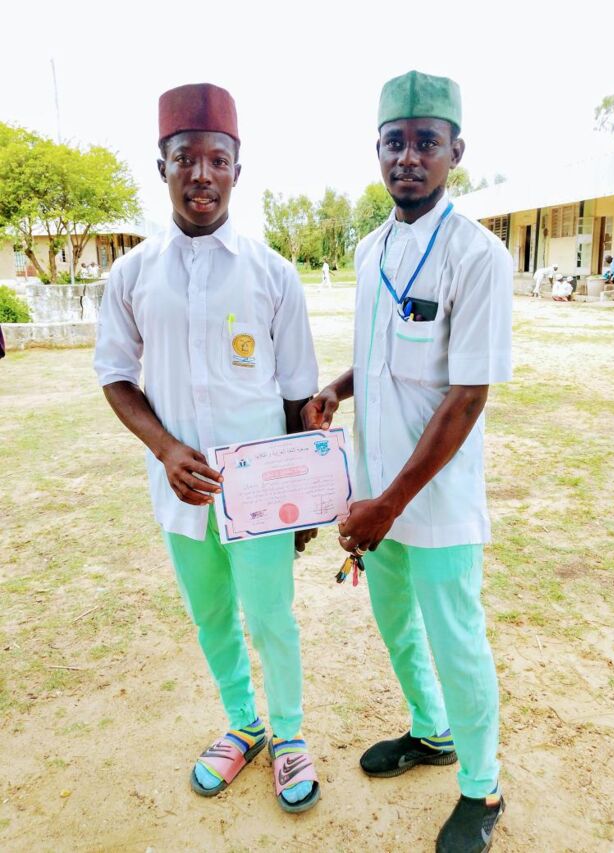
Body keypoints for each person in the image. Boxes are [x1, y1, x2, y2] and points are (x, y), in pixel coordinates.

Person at [94, 82, 321, 813]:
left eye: (217, 160)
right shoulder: (132, 274)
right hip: (181, 491)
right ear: (161, 165)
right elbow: (115, 375)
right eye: (185, 158)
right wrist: (165, 448)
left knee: (272, 618)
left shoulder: (272, 272)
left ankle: (289, 735)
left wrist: (303, 503)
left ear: (237, 170)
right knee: (212, 616)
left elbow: (298, 397)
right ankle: (243, 724)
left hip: (261, 496)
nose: (201, 175)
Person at [303, 70, 511, 852]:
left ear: (457, 151)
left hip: (433, 501)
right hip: (373, 496)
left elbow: (467, 394)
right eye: (396, 141)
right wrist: (337, 386)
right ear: (378, 150)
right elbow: (380, 354)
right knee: (396, 623)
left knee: (457, 639)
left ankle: (483, 785)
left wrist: (389, 504)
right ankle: (432, 731)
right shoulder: (370, 249)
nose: (409, 157)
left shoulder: (478, 255)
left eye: (428, 141)